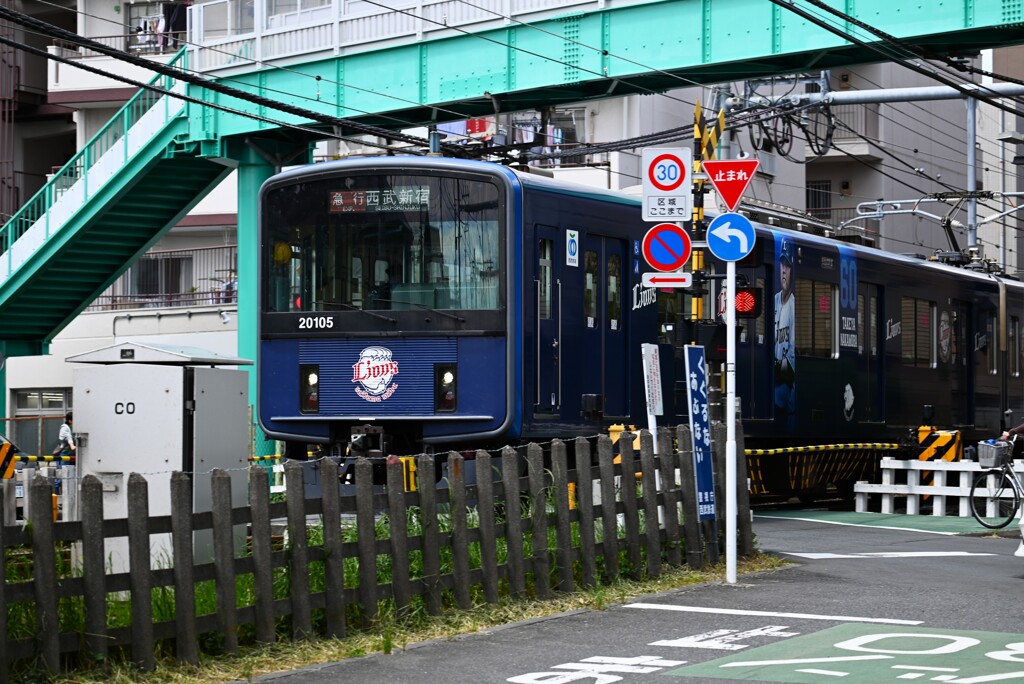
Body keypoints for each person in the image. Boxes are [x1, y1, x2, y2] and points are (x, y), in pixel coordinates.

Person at [774, 238, 796, 429]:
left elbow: (793, 356)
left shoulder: (795, 305)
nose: (783, 270)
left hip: (786, 386)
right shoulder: (774, 300)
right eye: (782, 264)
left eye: (787, 266)